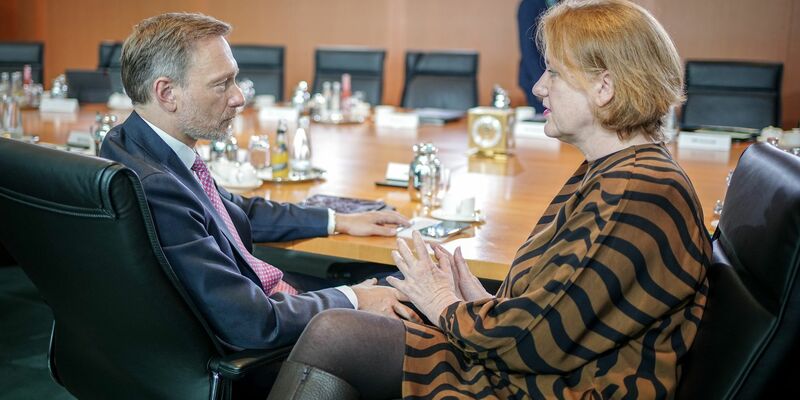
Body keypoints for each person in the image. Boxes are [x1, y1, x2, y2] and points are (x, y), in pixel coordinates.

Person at [267, 0, 712, 398]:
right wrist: (475, 298)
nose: (539, 87)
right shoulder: (624, 171)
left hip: (555, 385)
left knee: (335, 333)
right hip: (543, 367)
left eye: (554, 73)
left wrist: (443, 303)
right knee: (377, 307)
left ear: (604, 87)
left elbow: (539, 339)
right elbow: (566, 301)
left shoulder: (637, 189)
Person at [99, 12, 417, 352]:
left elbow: (232, 211)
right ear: (166, 93)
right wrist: (354, 299)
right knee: (408, 293)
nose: (238, 97)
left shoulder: (133, 144)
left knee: (398, 283)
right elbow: (251, 323)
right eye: (222, 83)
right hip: (258, 335)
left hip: (257, 299)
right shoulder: (156, 187)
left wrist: (338, 220)